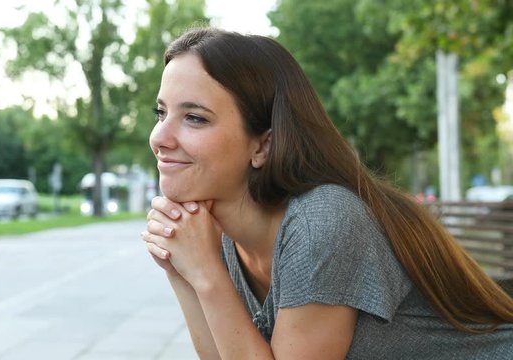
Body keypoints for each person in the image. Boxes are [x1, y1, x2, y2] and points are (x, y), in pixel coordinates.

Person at [141, 26, 513, 359]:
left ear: (263, 146)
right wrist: (182, 269)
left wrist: (206, 274)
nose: (160, 138)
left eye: (194, 117)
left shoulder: (322, 222)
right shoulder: (227, 238)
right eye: (161, 113)